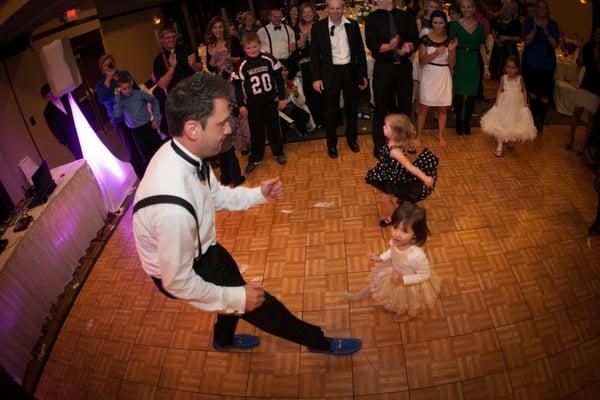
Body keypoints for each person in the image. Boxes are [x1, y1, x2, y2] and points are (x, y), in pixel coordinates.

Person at [132, 72, 362, 355]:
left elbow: (215, 196)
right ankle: (320, 342)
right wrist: (235, 297)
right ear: (193, 129)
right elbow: (176, 280)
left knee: (233, 291)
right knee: (259, 305)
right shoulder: (171, 207)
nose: (229, 130)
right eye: (220, 124)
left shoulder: (184, 152)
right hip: (186, 267)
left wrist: (258, 195)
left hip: (204, 249)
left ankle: (223, 339)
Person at [342, 203, 441, 322]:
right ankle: (359, 296)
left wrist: (403, 279)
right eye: (395, 227)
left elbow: (425, 274)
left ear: (415, 235)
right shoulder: (396, 240)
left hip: (407, 282)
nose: (397, 233)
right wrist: (381, 258)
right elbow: (392, 251)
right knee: (380, 286)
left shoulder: (416, 255)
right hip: (394, 270)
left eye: (404, 231)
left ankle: (408, 313)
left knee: (407, 302)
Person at [310, 0, 368, 159]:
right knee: (330, 111)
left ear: (343, 9)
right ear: (327, 9)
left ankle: (352, 139)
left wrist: (363, 74)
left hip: (350, 71)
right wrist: (316, 78)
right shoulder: (318, 27)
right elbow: (314, 56)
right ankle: (332, 144)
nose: (335, 11)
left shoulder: (353, 25)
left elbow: (360, 53)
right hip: (330, 73)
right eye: (332, 8)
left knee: (351, 108)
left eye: (338, 8)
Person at [366, 0, 419, 157]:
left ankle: (406, 141)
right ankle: (380, 143)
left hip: (403, 67)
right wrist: (390, 46)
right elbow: (371, 44)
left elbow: (415, 40)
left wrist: (406, 48)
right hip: (383, 67)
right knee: (381, 106)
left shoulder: (405, 16)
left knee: (404, 106)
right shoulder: (372, 18)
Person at [365, 114, 437, 227]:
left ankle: (392, 217)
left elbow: (409, 166)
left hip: (391, 178)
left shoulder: (395, 152)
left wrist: (425, 178)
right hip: (386, 172)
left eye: (386, 126)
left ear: (393, 133)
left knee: (385, 200)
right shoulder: (390, 140)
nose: (383, 127)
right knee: (380, 191)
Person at [232, 32, 287, 173]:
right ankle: (256, 157)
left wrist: (282, 98)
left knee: (274, 128)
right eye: (248, 48)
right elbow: (237, 87)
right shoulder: (241, 65)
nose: (252, 50)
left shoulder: (269, 59)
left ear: (260, 45)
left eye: (255, 46)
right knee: (256, 133)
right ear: (244, 48)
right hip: (253, 105)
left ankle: (278, 152)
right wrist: (241, 105)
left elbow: (280, 80)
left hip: (270, 102)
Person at [96, 55, 145, 179]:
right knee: (131, 147)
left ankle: (150, 168)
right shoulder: (101, 85)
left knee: (142, 142)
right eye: (105, 66)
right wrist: (108, 79)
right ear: (102, 70)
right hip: (120, 120)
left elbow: (136, 90)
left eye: (110, 63)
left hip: (134, 114)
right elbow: (104, 99)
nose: (109, 67)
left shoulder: (123, 74)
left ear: (114, 63)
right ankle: (141, 175)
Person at [480, 56, 537, 157]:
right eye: (508, 67)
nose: (510, 70)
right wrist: (497, 101)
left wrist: (525, 102)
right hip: (505, 103)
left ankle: (510, 139)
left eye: (513, 67)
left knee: (513, 122)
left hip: (516, 104)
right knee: (503, 122)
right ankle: (500, 145)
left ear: (517, 69)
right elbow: (499, 89)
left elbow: (524, 90)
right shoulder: (503, 78)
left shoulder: (520, 79)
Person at [449, 0, 490, 135]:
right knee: (459, 93)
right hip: (460, 60)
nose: (466, 9)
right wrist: (451, 65)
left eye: (469, 7)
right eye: (463, 7)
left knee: (472, 94)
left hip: (473, 61)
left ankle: (466, 121)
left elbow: (482, 47)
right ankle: (459, 122)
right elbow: (451, 46)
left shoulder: (480, 27)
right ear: (460, 9)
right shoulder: (454, 25)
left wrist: (485, 67)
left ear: (474, 9)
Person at [416, 10, 456, 146]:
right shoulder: (425, 39)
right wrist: (436, 53)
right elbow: (421, 61)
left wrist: (450, 51)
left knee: (443, 108)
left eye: (441, 23)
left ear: (445, 23)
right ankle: (418, 136)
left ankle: (441, 135)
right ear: (431, 23)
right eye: (435, 23)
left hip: (444, 74)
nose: (438, 25)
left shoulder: (450, 40)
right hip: (429, 74)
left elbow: (452, 64)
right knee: (424, 107)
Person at [522, 0, 559, 133]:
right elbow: (527, 40)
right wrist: (535, 28)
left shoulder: (553, 24)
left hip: (548, 63)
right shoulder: (530, 21)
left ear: (547, 10)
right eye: (539, 7)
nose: (541, 9)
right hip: (532, 61)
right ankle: (532, 122)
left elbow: (555, 44)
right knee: (533, 93)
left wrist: (545, 30)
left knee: (544, 95)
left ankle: (540, 122)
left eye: (544, 7)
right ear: (536, 9)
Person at [113, 76, 163, 172]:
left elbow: (154, 100)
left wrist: (156, 117)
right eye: (124, 89)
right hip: (136, 132)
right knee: (147, 157)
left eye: (129, 87)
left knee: (160, 149)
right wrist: (117, 96)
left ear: (131, 85)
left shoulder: (139, 94)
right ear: (119, 89)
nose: (127, 90)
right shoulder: (121, 100)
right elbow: (117, 114)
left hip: (149, 126)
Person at [565, 27, 600, 154]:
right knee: (577, 111)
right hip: (586, 82)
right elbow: (580, 62)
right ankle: (570, 137)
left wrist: (597, 57)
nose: (597, 35)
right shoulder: (588, 46)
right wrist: (580, 47)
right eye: (596, 33)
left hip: (597, 86)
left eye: (599, 34)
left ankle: (584, 144)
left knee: (591, 117)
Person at [294, 2, 324, 127]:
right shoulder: (297, 27)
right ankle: (316, 121)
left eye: (309, 12)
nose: (307, 14)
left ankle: (326, 120)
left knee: (323, 91)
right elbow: (300, 46)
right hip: (306, 64)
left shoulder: (320, 25)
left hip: (320, 62)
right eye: (304, 12)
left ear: (313, 12)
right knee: (310, 93)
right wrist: (305, 35)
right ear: (301, 14)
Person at [153, 24, 203, 92]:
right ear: (161, 39)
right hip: (177, 96)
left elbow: (200, 68)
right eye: (168, 37)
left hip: (194, 89)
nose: (172, 39)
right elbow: (162, 85)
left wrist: (195, 65)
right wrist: (172, 68)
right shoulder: (158, 60)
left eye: (174, 36)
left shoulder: (186, 48)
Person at [41, 84, 83, 160]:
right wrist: (65, 141)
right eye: (48, 97)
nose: (51, 97)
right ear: (45, 98)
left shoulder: (66, 96)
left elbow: (79, 108)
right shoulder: (47, 112)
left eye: (51, 94)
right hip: (70, 138)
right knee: (80, 157)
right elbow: (53, 129)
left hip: (81, 127)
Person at [489, 1, 521, 80]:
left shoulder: (516, 22)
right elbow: (493, 29)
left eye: (511, 8)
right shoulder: (498, 18)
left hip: (509, 50)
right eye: (507, 7)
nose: (509, 10)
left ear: (514, 10)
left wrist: (507, 38)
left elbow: (519, 38)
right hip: (498, 48)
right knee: (496, 75)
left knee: (508, 75)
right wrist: (495, 39)